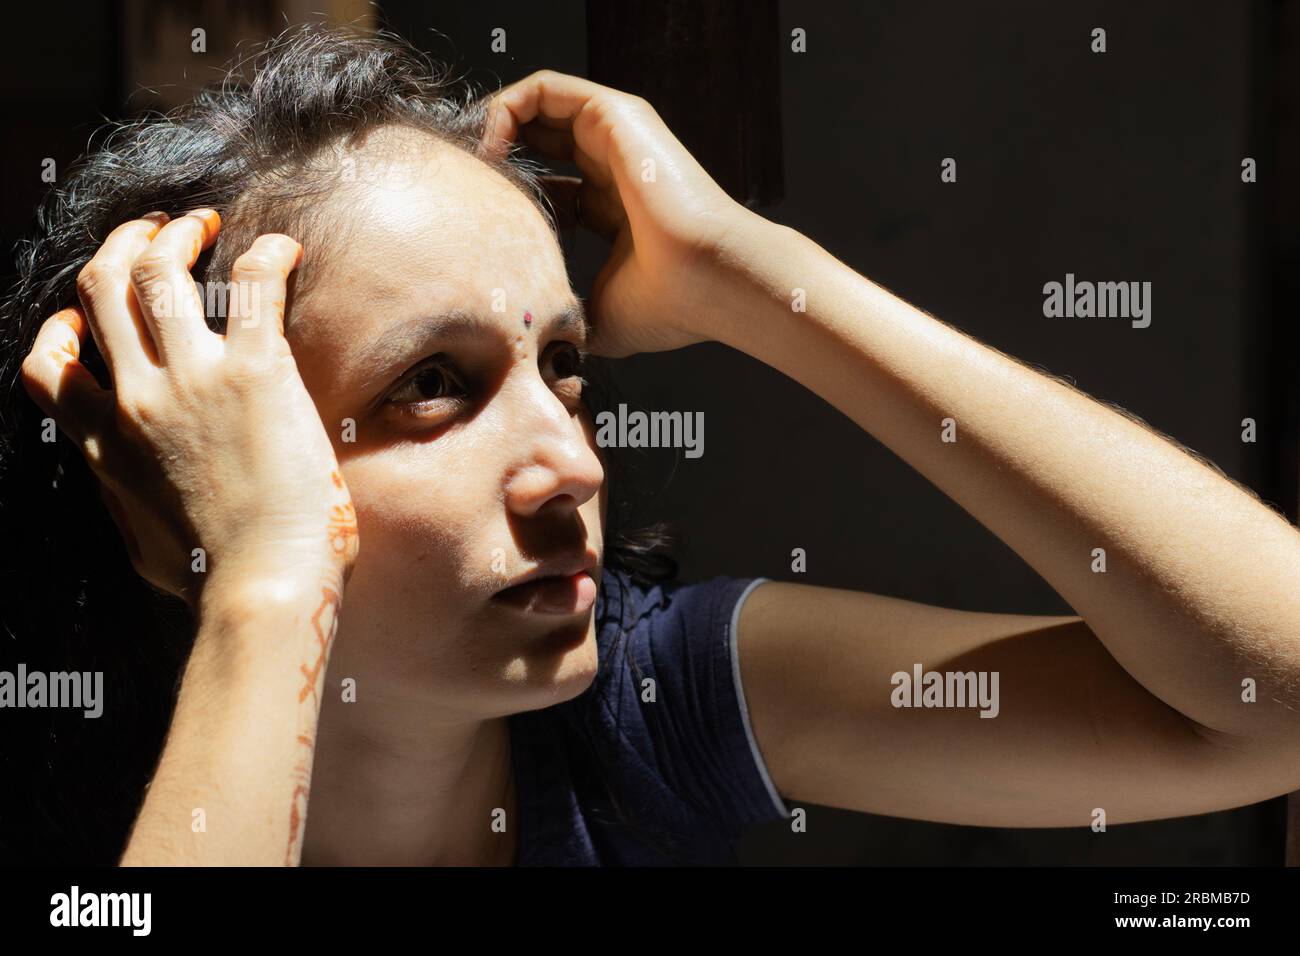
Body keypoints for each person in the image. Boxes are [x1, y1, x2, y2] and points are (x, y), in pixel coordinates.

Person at [6, 25, 1300, 866]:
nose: (572, 465)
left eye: (565, 366)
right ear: (176, 474)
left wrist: (759, 277)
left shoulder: (640, 701)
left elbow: (1270, 707)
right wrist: (264, 590)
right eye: (436, 385)